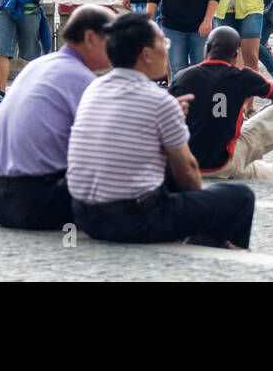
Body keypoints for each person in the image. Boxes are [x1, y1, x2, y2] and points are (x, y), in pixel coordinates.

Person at [66, 13, 257, 249]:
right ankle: (220, 245)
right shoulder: (158, 100)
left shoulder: (94, 88)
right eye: (163, 44)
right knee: (241, 197)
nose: (166, 51)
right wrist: (200, 208)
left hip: (83, 215)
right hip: (132, 220)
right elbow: (187, 170)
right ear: (146, 54)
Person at [0, 5, 116, 230]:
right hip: (39, 201)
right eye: (113, 38)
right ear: (91, 37)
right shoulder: (81, 79)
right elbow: (106, 146)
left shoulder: (38, 65)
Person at [170, 26, 273, 181]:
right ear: (236, 54)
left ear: (207, 48)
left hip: (189, 164)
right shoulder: (242, 76)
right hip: (224, 162)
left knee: (247, 169)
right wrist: (267, 111)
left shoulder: (183, 76)